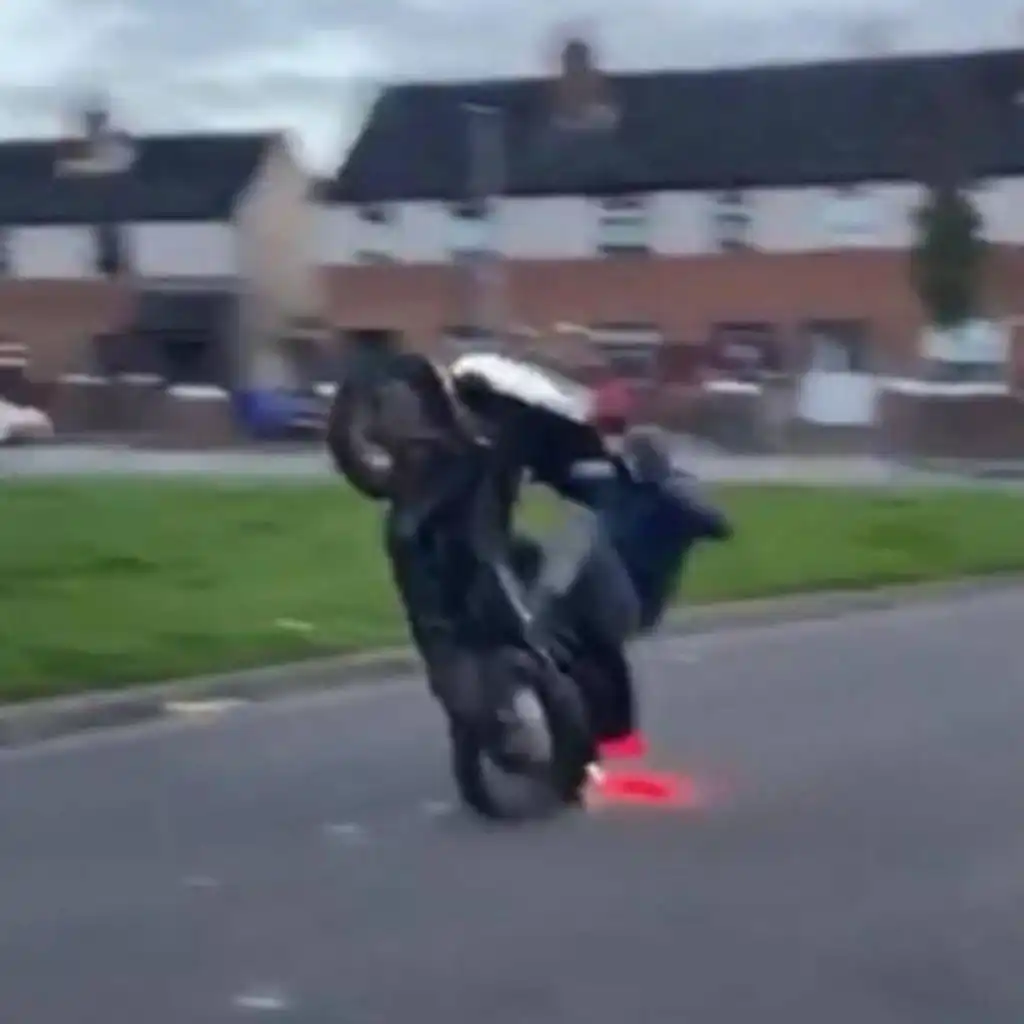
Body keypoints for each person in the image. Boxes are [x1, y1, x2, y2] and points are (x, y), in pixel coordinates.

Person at [371, 353, 730, 766]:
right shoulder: (609, 480)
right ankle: (572, 727)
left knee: (584, 549)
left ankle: (605, 723)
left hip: (635, 598)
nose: (632, 463)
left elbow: (718, 524)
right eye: (633, 456)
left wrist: (678, 499)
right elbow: (568, 475)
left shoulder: (671, 497)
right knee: (536, 570)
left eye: (642, 458)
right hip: (592, 588)